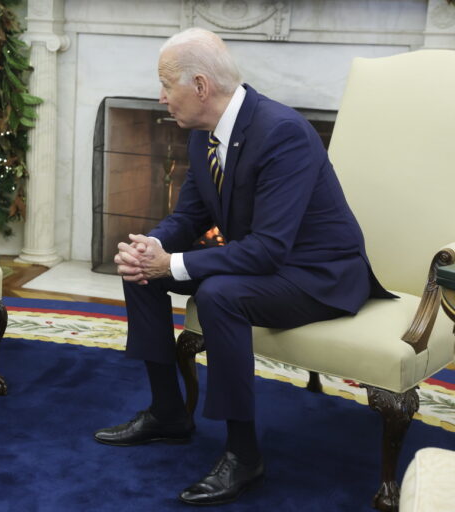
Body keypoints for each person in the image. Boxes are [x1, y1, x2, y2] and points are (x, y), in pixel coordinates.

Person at [93, 28, 393, 505]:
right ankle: (168, 414)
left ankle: (243, 454)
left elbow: (269, 249)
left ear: (199, 86)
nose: (160, 96)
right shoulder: (202, 135)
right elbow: (191, 215)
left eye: (166, 84)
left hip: (321, 274)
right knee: (141, 271)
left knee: (219, 295)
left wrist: (176, 261)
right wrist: (151, 248)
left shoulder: (282, 132)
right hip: (269, 265)